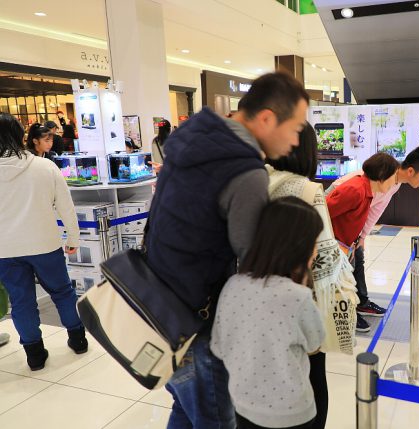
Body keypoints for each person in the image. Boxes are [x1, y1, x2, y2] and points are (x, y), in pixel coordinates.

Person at [145, 72, 309, 429]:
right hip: (195, 322)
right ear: (267, 118)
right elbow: (254, 261)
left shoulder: (193, 139)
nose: (296, 141)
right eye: (296, 128)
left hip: (156, 303)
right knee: (215, 419)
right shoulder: (244, 171)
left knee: (186, 409)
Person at [267, 123, 357, 429]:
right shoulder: (307, 190)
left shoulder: (257, 181)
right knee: (314, 373)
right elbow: (324, 254)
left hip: (262, 292)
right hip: (300, 294)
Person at [211, 197, 325, 429]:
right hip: (293, 413)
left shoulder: (233, 285)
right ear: (298, 247)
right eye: (314, 242)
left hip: (242, 406)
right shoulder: (298, 297)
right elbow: (315, 343)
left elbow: (219, 347)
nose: (315, 251)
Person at [0, 113, 88, 371]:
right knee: (62, 292)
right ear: (21, 135)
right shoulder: (44, 167)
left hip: (6, 249)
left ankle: (35, 354)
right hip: (45, 243)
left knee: (21, 301)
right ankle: (78, 340)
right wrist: (73, 237)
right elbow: (66, 206)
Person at [326, 147, 419, 332]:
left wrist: (361, 237)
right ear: (411, 171)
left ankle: (360, 303)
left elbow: (374, 210)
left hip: (350, 219)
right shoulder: (378, 178)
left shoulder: (392, 183)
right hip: (338, 210)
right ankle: (347, 311)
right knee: (342, 268)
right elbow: (328, 207)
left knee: (354, 260)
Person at [326, 153, 400, 332]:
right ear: (382, 176)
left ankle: (348, 314)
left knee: (345, 282)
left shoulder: (368, 191)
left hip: (345, 245)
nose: (395, 182)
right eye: (393, 176)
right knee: (337, 286)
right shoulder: (355, 189)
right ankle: (345, 317)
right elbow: (322, 211)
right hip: (332, 246)